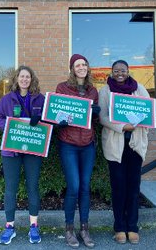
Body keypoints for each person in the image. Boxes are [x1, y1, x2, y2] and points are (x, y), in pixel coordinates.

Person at [97, 59, 154, 245]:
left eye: (122, 70)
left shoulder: (139, 89)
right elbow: (103, 117)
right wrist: (123, 126)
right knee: (118, 189)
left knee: (133, 189)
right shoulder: (105, 91)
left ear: (128, 71)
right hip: (115, 147)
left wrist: (138, 125)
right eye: (116, 71)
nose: (119, 73)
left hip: (135, 147)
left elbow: (149, 113)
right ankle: (119, 227)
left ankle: (132, 227)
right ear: (111, 72)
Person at [0, 65, 47, 245]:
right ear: (16, 79)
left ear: (32, 80)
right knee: (11, 188)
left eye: (28, 77)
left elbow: (48, 120)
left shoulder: (40, 98)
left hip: (33, 150)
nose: (25, 79)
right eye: (22, 76)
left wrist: (39, 120)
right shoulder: (6, 99)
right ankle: (10, 227)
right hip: (11, 149)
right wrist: (9, 127)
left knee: (33, 186)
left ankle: (34, 226)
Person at [55, 54, 101, 248]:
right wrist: (60, 120)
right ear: (72, 69)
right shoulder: (62, 88)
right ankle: (69, 229)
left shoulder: (93, 90)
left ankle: (84, 229)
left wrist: (97, 114)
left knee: (85, 187)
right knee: (73, 186)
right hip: (68, 143)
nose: (81, 67)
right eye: (77, 65)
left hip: (87, 144)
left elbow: (94, 120)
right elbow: (55, 114)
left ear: (87, 68)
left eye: (84, 64)